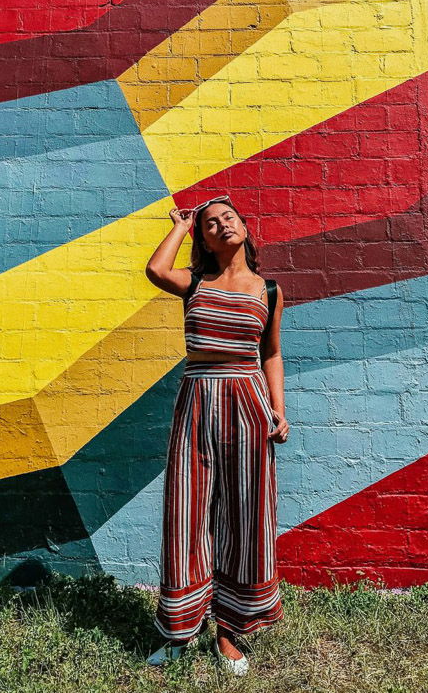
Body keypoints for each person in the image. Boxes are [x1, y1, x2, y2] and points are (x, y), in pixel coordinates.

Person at [144, 195, 289, 675]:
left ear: (245, 227)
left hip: (248, 405)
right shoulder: (195, 283)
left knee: (246, 518)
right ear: (203, 240)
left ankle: (229, 632)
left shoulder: (268, 291)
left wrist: (279, 411)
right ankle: (180, 628)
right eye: (210, 224)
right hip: (197, 401)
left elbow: (271, 354)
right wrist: (181, 225)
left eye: (228, 217)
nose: (222, 225)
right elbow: (156, 270)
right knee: (185, 513)